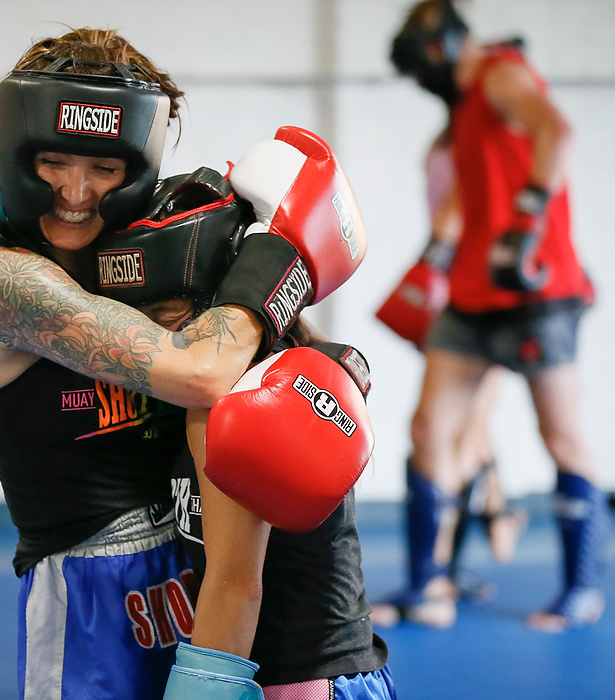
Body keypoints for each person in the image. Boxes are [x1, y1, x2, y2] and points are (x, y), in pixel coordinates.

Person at [0, 28, 366, 698]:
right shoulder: (2, 282)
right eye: (53, 162)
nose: (76, 192)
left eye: (104, 169)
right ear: (16, 154)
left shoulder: (161, 250)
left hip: (202, 570)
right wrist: (280, 255)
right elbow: (202, 370)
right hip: (92, 588)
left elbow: (272, 389)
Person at [93, 165, 394, 698]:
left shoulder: (233, 400)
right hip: (301, 672)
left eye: (163, 315)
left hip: (306, 682)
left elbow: (236, 588)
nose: (147, 338)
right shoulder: (247, 378)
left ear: (219, 305)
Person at [373, 0, 607, 633]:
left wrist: (528, 220)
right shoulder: (465, 111)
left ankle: (582, 589)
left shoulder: (501, 73)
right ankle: (428, 586)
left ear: (438, 48)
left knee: (560, 437)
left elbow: (556, 130)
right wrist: (434, 259)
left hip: (538, 293)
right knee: (429, 431)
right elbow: (461, 191)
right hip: (472, 297)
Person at [374, 122, 528, 619]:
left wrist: (428, 267)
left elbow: (457, 214)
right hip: (463, 296)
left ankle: (438, 578)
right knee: (458, 431)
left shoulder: (485, 141)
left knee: (453, 434)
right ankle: (487, 522)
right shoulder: (459, 134)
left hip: (480, 297)